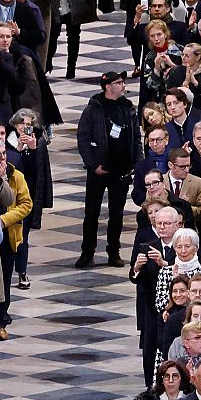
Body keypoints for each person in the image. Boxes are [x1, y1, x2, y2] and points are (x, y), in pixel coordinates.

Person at [76, 71, 139, 267]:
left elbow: (136, 138)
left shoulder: (128, 108)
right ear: (108, 86)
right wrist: (93, 165)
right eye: (119, 82)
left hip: (121, 171)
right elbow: (83, 138)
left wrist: (137, 164)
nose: (123, 85)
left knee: (117, 214)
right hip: (98, 170)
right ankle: (87, 251)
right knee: (92, 212)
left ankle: (114, 251)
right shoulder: (93, 109)